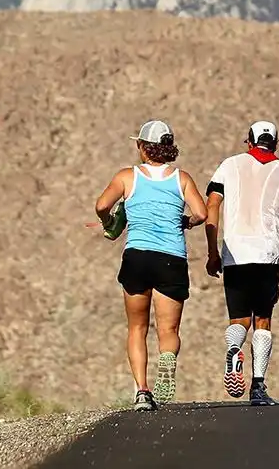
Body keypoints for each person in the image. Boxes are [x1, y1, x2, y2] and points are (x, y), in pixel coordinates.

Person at [91, 119, 207, 411]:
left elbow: (102, 205)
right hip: (171, 257)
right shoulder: (182, 179)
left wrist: (110, 224)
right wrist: (186, 222)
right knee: (168, 331)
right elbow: (202, 213)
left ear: (143, 148)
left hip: (137, 256)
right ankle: (167, 359)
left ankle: (142, 391)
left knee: (137, 328)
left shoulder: (127, 177)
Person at [204, 119, 279, 406]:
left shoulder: (229, 165)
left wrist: (213, 251)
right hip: (267, 254)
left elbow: (212, 204)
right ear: (276, 143)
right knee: (262, 318)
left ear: (248, 141)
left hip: (235, 253)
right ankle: (258, 387)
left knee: (238, 318)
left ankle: (234, 346)